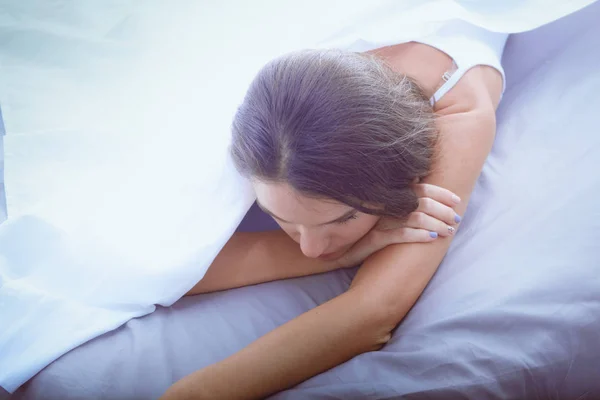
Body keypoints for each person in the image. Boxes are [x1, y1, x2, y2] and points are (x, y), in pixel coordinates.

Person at [161, 24, 505, 399]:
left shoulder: (458, 107)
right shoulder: (277, 115)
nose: (308, 249)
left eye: (343, 219)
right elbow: (174, 269)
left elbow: (373, 315)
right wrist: (353, 250)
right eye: (281, 218)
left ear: (407, 178)